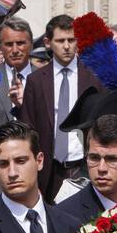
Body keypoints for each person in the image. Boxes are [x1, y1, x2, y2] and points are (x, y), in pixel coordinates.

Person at [20, 14, 102, 199]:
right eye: (60, 40)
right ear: (48, 43)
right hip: (50, 171)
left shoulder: (93, 77)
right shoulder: (36, 81)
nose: (66, 46)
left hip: (84, 167)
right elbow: (28, 127)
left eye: (71, 40)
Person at [0, 16, 36, 124]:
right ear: (0, 47)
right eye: (9, 44)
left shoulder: (47, 78)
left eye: (20, 43)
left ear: (31, 44)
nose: (15, 50)